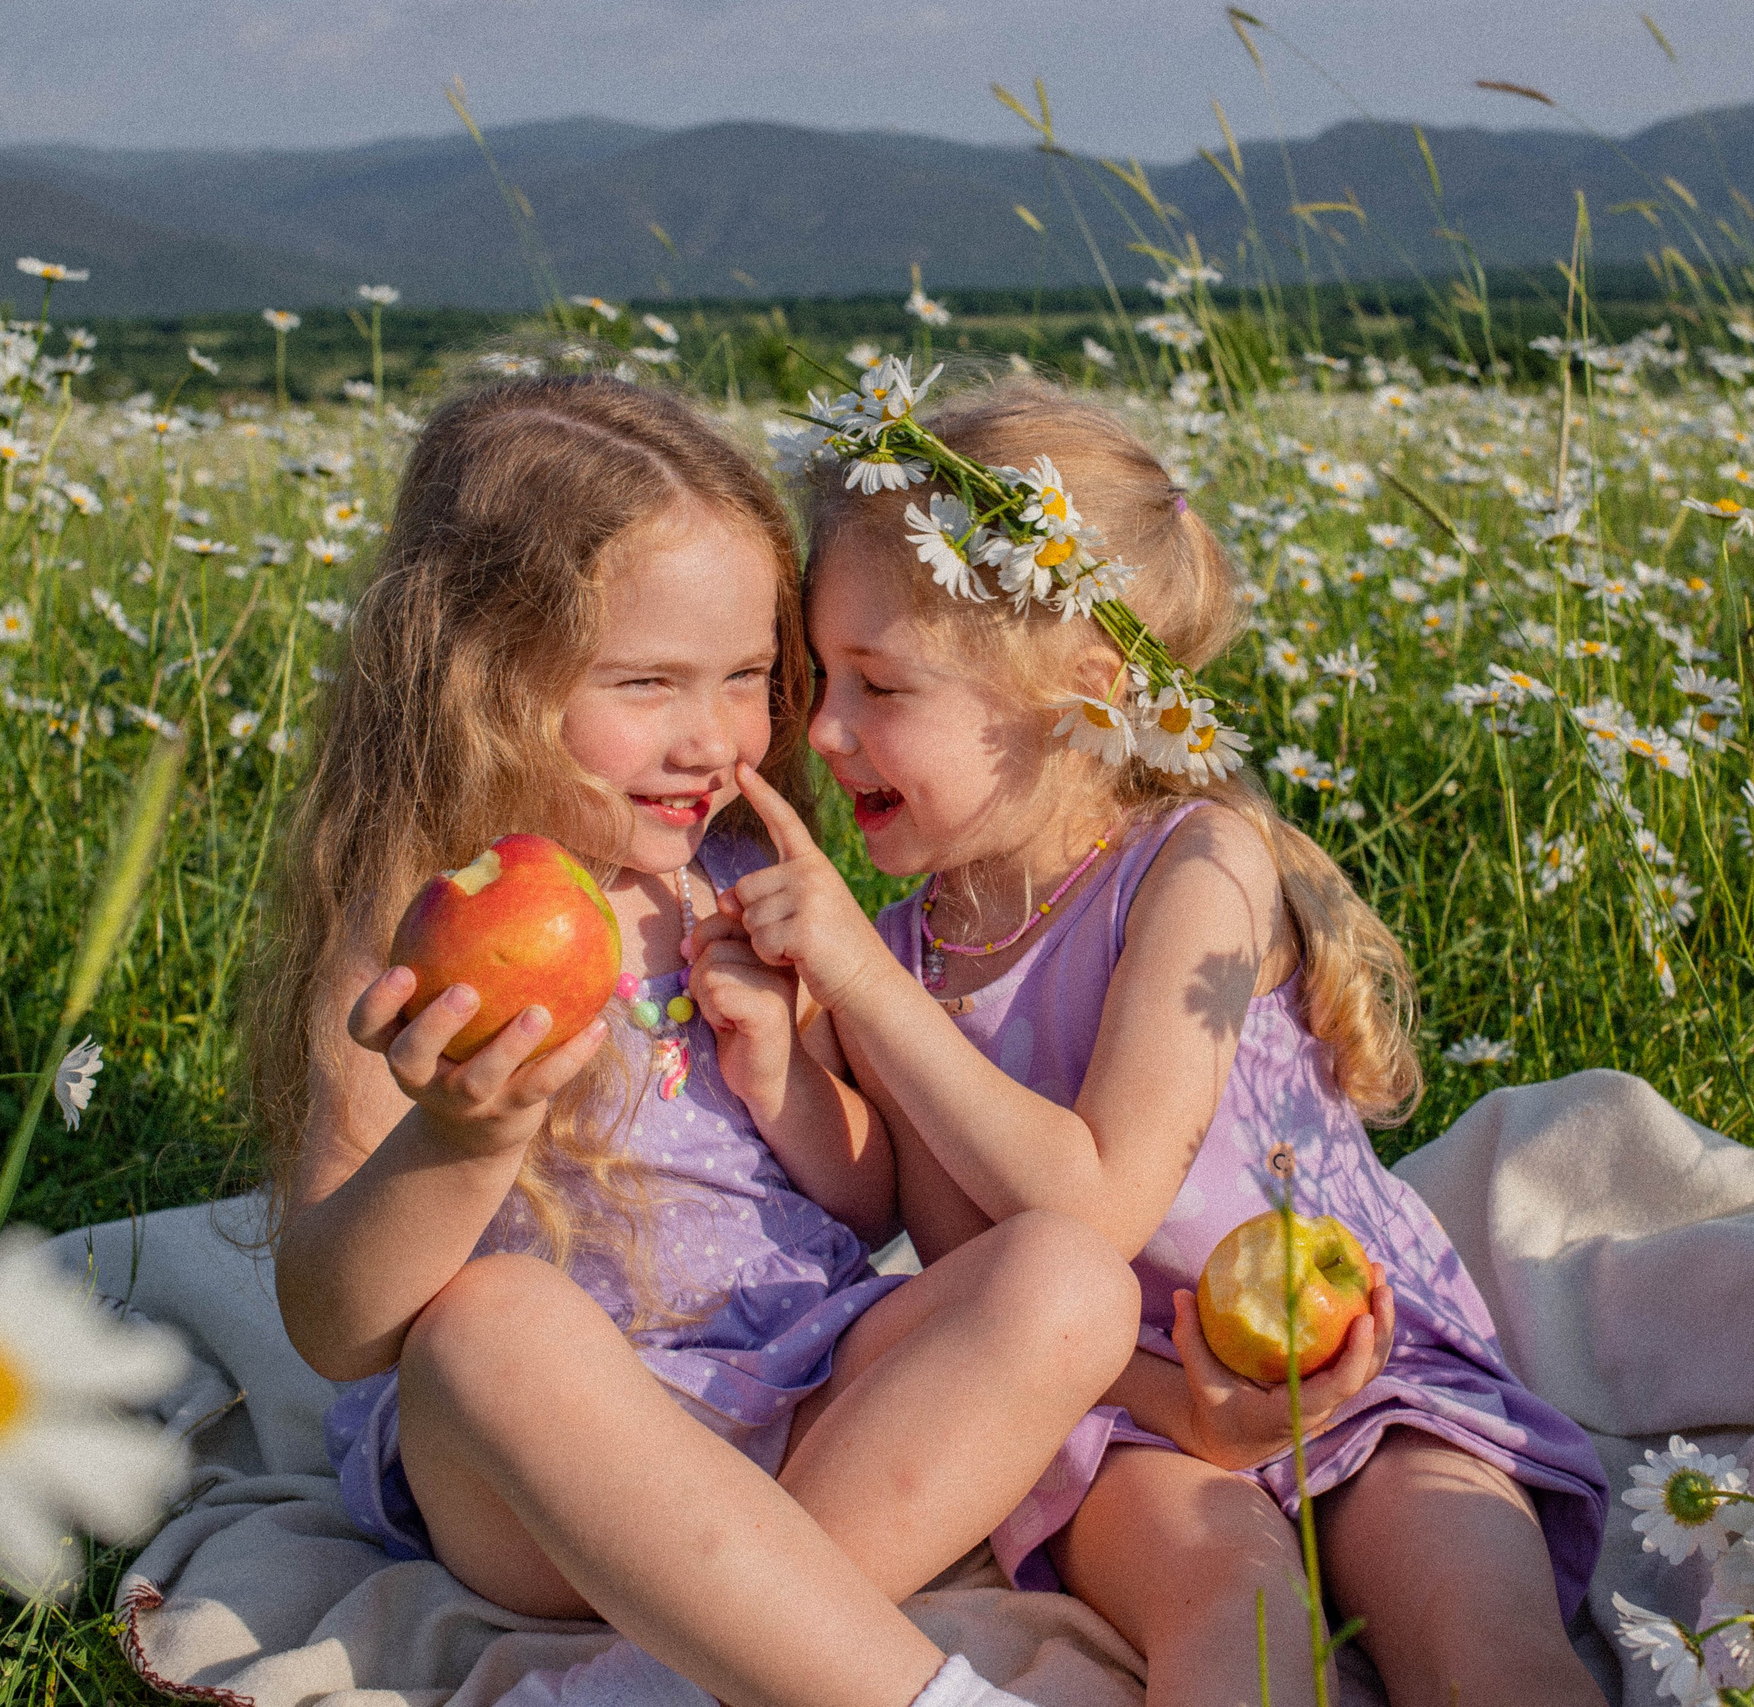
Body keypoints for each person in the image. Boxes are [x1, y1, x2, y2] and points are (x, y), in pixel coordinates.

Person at [704, 373, 1610, 1707]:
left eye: (878, 683)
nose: (825, 731)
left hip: (1357, 1363)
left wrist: (859, 987)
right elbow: (974, 1256)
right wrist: (794, 1053)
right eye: (816, 679)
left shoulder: (1199, 868)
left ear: (1083, 693)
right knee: (1238, 1615)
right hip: (1121, 1408)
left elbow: (1101, 1191)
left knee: (1478, 1632)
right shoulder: (903, 957)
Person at [251, 376, 1139, 1707]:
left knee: (1073, 1279)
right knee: (492, 1321)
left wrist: (788, 1081)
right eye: (647, 683)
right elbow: (333, 1317)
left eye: (744, 679)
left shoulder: (729, 871)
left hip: (799, 1397)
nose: (714, 736)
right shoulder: (417, 918)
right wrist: (463, 1135)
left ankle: (686, 1673)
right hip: (544, 1477)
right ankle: (909, 1695)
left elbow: (863, 1198)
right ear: (483, 677)